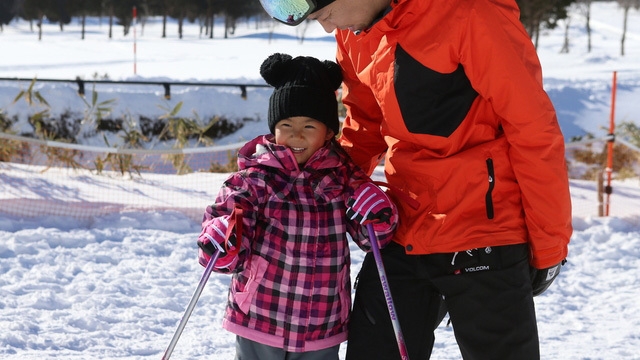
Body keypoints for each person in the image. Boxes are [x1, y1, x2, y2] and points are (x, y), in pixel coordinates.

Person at [257, 0, 573, 359]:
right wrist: (300, 193)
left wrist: (549, 244)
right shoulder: (356, 31)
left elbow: (534, 131)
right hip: (404, 226)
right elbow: (363, 128)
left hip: (483, 231)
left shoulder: (469, 13)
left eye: (326, 16)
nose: (329, 30)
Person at [196, 52, 399, 360]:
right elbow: (230, 215)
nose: (296, 135)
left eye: (309, 126)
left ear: (329, 132)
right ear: (274, 128)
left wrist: (378, 215)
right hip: (261, 313)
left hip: (322, 320)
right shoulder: (256, 176)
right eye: (287, 124)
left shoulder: (343, 176)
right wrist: (222, 238)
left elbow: (370, 237)